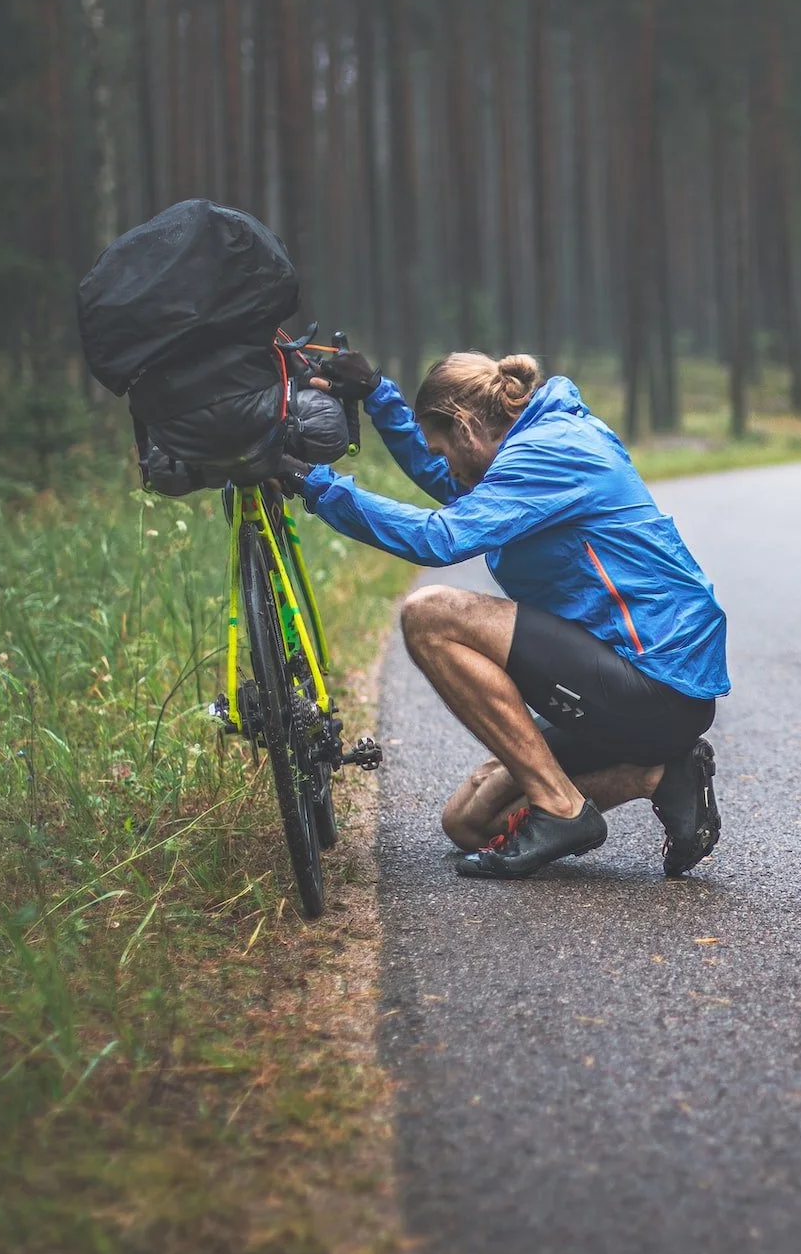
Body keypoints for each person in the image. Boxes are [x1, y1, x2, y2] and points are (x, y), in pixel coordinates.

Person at [278, 348, 729, 880]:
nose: (443, 464)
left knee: (431, 614)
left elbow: (440, 537)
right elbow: (455, 484)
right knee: (469, 823)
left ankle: (562, 807)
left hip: (655, 683)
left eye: (444, 448)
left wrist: (315, 484)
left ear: (468, 427)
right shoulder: (530, 449)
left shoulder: (554, 451)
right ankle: (657, 773)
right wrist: (379, 395)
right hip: (621, 688)